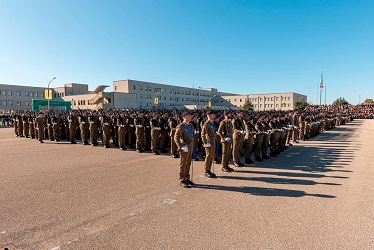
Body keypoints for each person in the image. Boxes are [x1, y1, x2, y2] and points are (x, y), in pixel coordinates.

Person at [174, 111, 195, 188]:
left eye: (190, 115)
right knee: (183, 164)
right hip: (184, 147)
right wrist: (181, 146)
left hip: (190, 146)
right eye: (189, 115)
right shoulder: (180, 126)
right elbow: (176, 138)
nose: (190, 116)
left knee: (188, 163)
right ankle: (182, 179)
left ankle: (187, 178)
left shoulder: (190, 125)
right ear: (184, 117)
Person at [201, 110, 217, 178]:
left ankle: (209, 170)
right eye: (213, 115)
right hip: (209, 142)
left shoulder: (212, 123)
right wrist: (205, 143)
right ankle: (206, 170)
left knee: (211, 156)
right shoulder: (206, 124)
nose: (214, 116)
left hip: (212, 142)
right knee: (208, 156)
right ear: (209, 116)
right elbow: (203, 134)